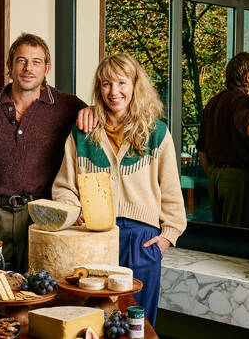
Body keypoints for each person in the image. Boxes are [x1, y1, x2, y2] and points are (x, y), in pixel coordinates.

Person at [52, 52, 186, 326]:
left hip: (142, 239)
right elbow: (64, 186)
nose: (114, 92)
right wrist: (74, 209)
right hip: (95, 238)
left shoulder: (157, 132)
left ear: (135, 86)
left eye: (122, 83)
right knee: (95, 318)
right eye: (106, 84)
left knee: (139, 321)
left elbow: (171, 190)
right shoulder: (83, 132)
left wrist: (167, 237)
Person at [0, 33, 86, 272]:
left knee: (39, 289)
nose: (28, 68)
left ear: (47, 68)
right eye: (21, 60)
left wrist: (92, 111)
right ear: (9, 66)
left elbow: (90, 153)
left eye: (36, 61)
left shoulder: (70, 106)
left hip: (45, 215)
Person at [196, 52, 249, 229]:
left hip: (215, 176)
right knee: (238, 234)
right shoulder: (241, 100)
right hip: (238, 177)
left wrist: (213, 174)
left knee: (222, 233)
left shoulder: (214, 101)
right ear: (248, 78)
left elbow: (201, 148)